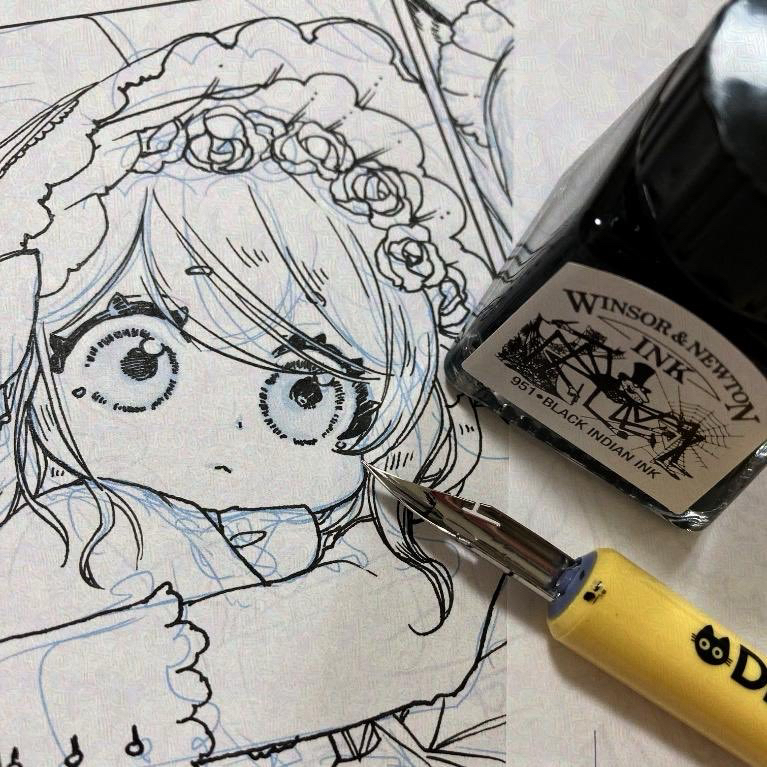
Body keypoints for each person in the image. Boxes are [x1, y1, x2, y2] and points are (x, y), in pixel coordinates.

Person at [0, 16, 504, 765]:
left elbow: (417, 625)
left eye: (306, 394)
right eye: (138, 363)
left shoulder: (339, 547)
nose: (223, 438)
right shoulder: (78, 530)